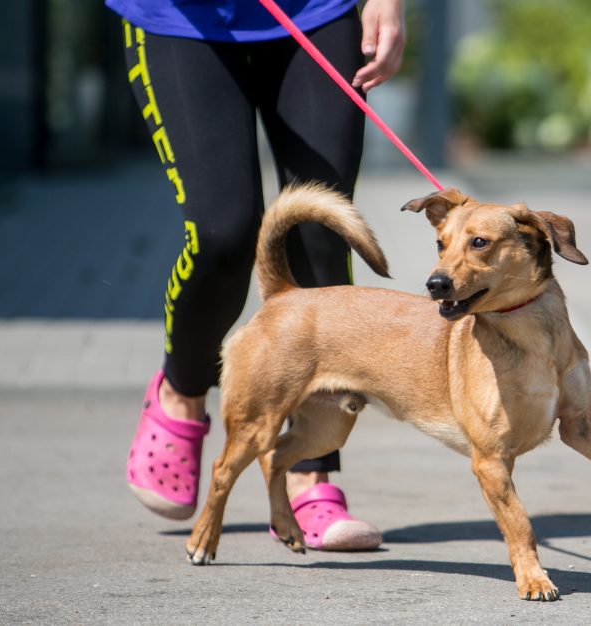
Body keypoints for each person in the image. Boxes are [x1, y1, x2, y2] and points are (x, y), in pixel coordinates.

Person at [108, 0, 405, 551]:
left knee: (321, 238)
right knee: (224, 236)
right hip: (179, 20)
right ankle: (183, 388)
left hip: (314, 11)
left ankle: (308, 470)